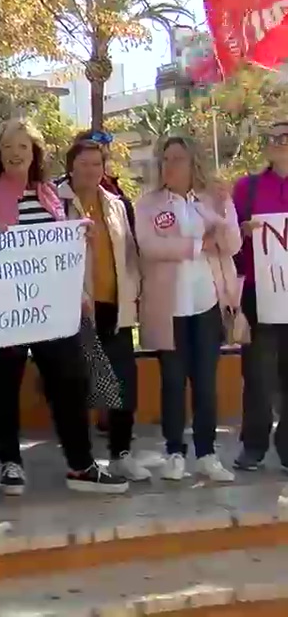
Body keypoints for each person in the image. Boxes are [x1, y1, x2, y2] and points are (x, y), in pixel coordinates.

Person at [0, 120, 126, 495]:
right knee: (0, 386)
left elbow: (62, 249)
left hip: (52, 312)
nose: (16, 153)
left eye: (24, 146)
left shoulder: (51, 196)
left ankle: (81, 464)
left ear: (35, 154)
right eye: (8, 146)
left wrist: (78, 236)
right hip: (3, 314)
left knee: (70, 381)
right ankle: (9, 463)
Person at [137, 135, 239, 483]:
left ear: (192, 162)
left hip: (206, 305)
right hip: (169, 310)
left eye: (177, 159)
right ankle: (174, 452)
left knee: (206, 383)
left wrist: (226, 211)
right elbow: (150, 246)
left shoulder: (210, 200)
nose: (170, 165)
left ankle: (207, 453)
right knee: (173, 382)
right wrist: (198, 245)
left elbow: (232, 244)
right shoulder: (148, 204)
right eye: (165, 159)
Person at [58, 139, 148, 481]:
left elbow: (129, 256)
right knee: (79, 386)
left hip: (117, 307)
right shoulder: (57, 202)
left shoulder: (115, 204)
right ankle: (82, 461)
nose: (92, 170)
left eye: (97, 164)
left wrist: (135, 291)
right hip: (77, 310)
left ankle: (121, 454)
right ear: (71, 166)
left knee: (124, 382)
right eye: (84, 164)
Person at [234, 121, 288, 472]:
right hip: (259, 292)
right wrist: (242, 232)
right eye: (271, 137)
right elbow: (229, 240)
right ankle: (252, 447)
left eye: (284, 137)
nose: (277, 143)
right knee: (257, 375)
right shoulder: (247, 189)